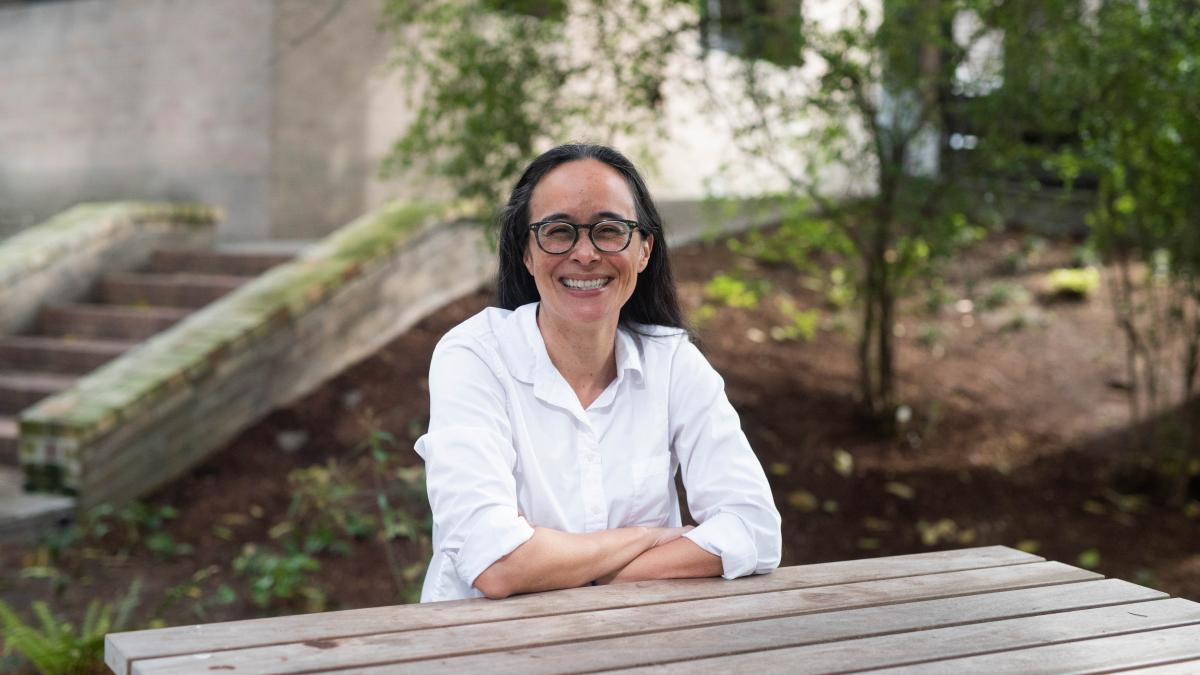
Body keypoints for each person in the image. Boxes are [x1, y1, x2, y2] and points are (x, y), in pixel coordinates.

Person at [415, 143, 781, 602]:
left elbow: (755, 528)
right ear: (526, 254)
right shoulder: (474, 356)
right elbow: (497, 565)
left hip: (632, 646)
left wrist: (564, 570)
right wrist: (644, 538)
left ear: (644, 250)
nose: (585, 254)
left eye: (609, 230)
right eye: (558, 231)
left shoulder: (672, 362)